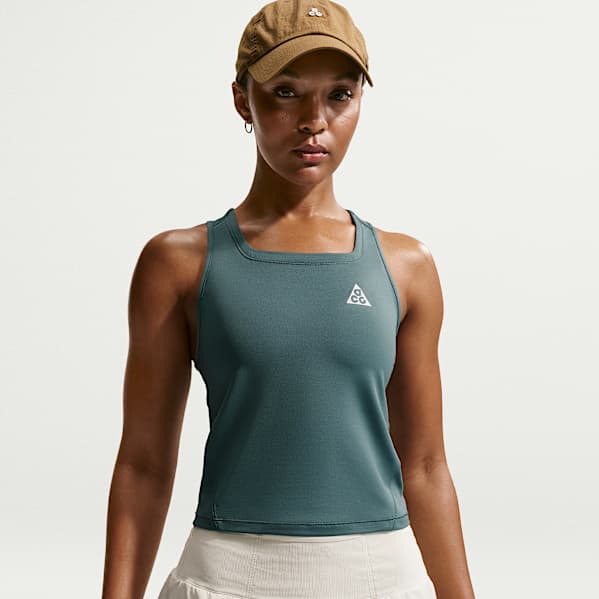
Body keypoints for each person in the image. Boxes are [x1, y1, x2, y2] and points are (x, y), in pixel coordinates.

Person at [101, 1, 476, 598]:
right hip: (226, 579)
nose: (314, 121)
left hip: (380, 579)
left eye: (339, 95)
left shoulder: (406, 267)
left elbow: (427, 466)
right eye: (285, 92)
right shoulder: (179, 263)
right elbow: (143, 467)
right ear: (241, 100)